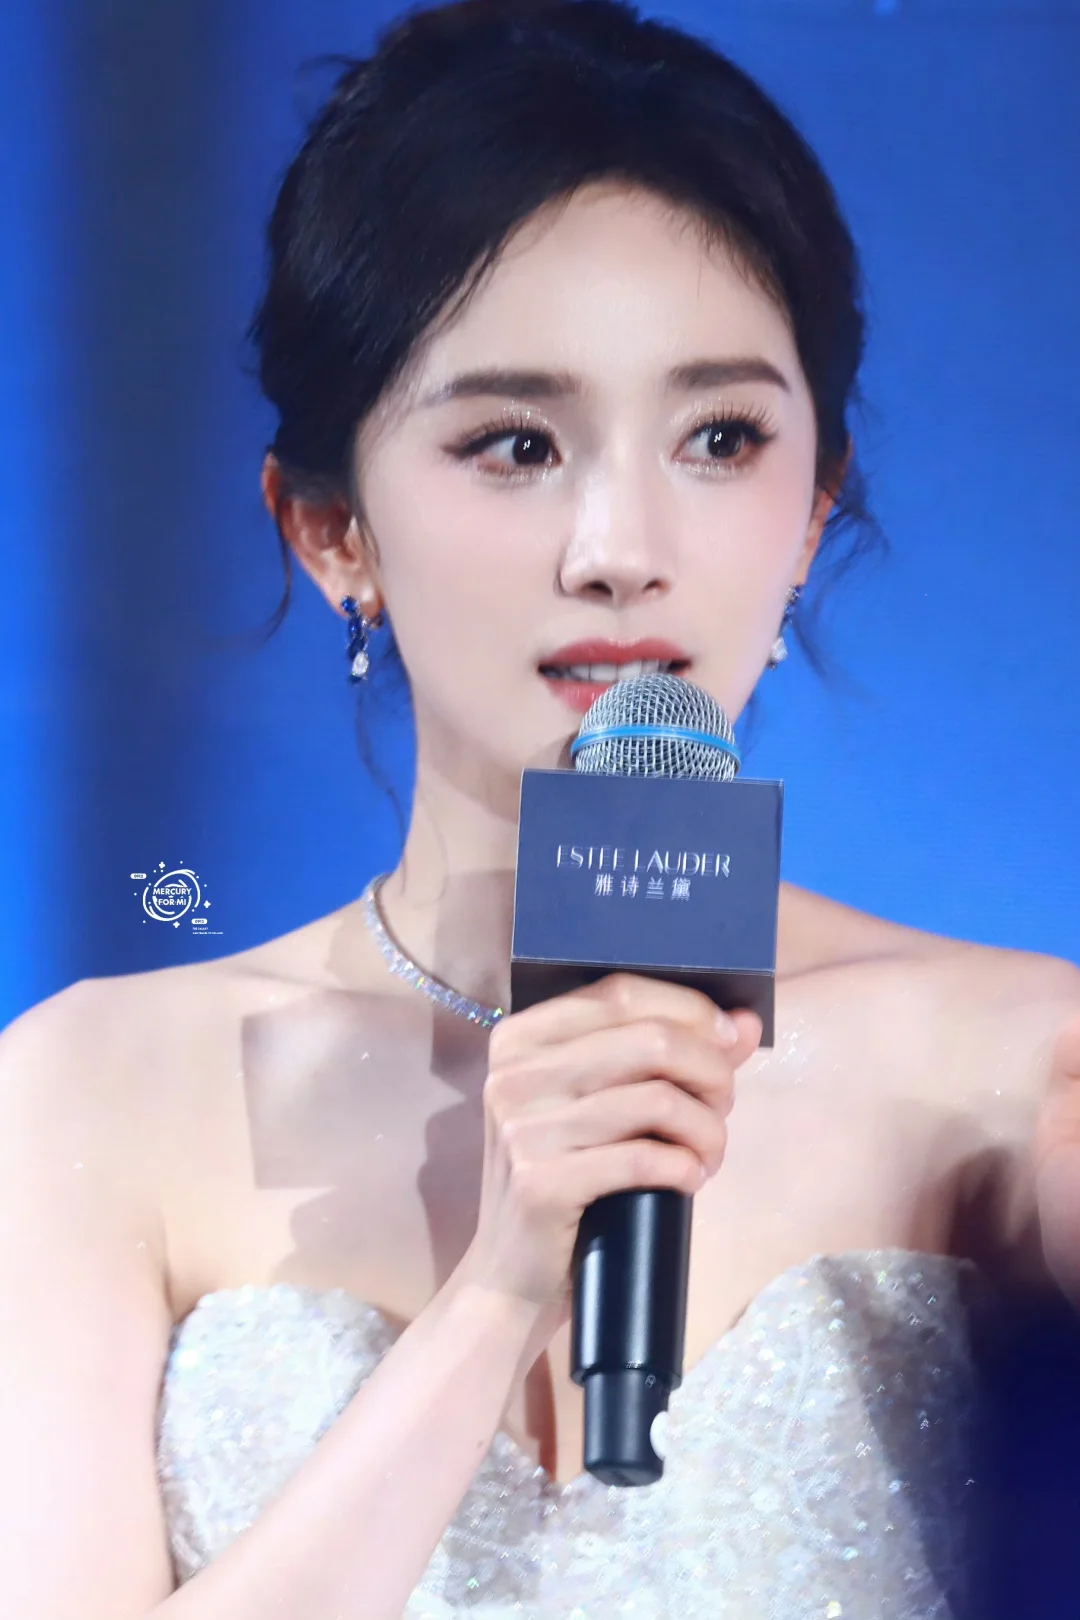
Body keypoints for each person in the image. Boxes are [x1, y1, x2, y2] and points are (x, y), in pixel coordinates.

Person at [2, 1, 1080, 1616]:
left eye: (720, 438)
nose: (622, 549)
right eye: (515, 444)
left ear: (812, 512)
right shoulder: (95, 1094)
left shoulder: (1021, 1071)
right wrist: (503, 1285)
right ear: (329, 529)